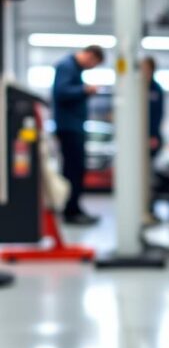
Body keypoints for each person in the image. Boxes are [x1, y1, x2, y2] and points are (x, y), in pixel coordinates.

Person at [52, 44, 104, 225]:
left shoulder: (73, 68)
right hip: (68, 127)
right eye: (93, 63)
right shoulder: (67, 66)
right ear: (89, 55)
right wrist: (85, 90)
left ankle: (73, 207)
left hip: (73, 126)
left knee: (76, 169)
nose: (91, 67)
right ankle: (70, 211)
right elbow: (60, 92)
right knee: (73, 170)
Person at [141, 57, 164, 156]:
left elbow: (158, 114)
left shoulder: (156, 90)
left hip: (151, 134)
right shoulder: (137, 87)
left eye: (146, 68)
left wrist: (153, 135)